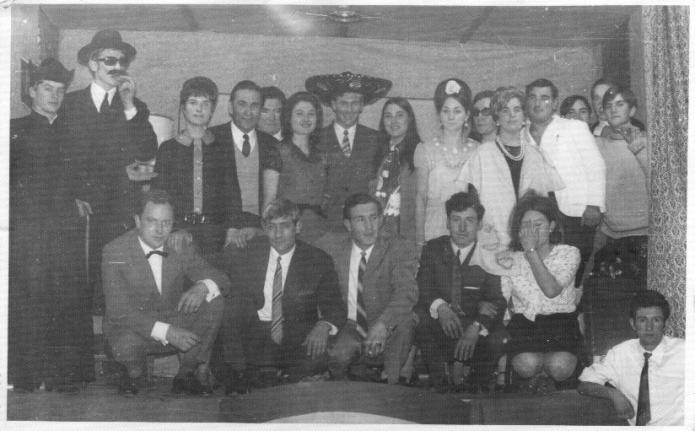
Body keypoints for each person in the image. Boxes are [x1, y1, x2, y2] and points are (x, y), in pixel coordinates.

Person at [9, 58, 93, 392]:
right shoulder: (13, 130)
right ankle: (27, 376)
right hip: (28, 234)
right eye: (47, 88)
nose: (54, 95)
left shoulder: (75, 132)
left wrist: (82, 195)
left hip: (65, 233)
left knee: (66, 300)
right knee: (30, 299)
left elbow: (87, 176)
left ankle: (64, 375)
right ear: (32, 91)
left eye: (60, 89)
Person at [61, 29, 159, 312]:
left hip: (118, 211)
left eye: (121, 61)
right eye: (109, 60)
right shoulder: (69, 104)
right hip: (81, 209)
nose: (117, 67)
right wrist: (73, 195)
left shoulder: (135, 107)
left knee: (113, 285)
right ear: (92, 64)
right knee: (78, 285)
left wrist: (129, 106)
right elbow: (63, 160)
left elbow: (146, 151)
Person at [101, 189, 229, 396]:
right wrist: (167, 332)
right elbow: (119, 311)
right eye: (152, 221)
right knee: (127, 351)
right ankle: (132, 372)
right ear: (137, 221)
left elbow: (223, 280)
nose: (160, 230)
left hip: (172, 319)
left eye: (166, 222)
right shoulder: (115, 251)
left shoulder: (178, 245)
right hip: (133, 328)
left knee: (214, 301)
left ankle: (187, 373)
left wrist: (203, 286)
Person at [221, 199, 345, 394]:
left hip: (296, 334)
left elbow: (335, 305)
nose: (277, 234)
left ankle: (280, 379)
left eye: (285, 226)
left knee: (316, 359)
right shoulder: (248, 253)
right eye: (271, 227)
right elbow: (233, 300)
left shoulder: (317, 260)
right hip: (255, 331)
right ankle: (253, 376)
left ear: (298, 227)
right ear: (264, 229)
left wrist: (324, 325)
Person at [317, 194, 419, 384]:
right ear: (348, 225)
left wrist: (383, 324)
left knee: (406, 320)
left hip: (388, 322)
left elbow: (406, 292)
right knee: (338, 359)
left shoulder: (399, 247)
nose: (369, 227)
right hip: (351, 324)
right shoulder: (330, 246)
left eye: (373, 218)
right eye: (360, 220)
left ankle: (392, 381)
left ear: (381, 220)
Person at [415, 191, 507, 393]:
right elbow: (424, 285)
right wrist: (441, 307)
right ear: (447, 223)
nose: (462, 228)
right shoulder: (433, 248)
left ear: (479, 224)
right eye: (456, 220)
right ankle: (441, 383)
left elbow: (497, 300)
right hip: (442, 322)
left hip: (473, 323)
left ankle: (475, 384)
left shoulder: (489, 252)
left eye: (469, 221)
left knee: (497, 336)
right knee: (419, 317)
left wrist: (477, 326)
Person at [457, 86, 564, 251]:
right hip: (492, 240)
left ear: (524, 117)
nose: (511, 115)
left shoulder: (536, 155)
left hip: (531, 241)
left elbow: (546, 204)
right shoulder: (482, 154)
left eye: (517, 109)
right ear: (497, 118)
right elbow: (470, 201)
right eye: (505, 110)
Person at [523, 78, 605, 287]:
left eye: (544, 98)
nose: (538, 103)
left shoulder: (574, 127)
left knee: (576, 269)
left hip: (576, 212)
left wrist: (594, 205)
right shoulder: (521, 134)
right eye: (532, 97)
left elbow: (595, 165)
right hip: (540, 210)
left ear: (554, 103)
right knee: (544, 265)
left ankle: (574, 304)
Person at [501, 192, 583, 394]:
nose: (532, 231)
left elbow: (551, 290)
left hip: (560, 323)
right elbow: (502, 298)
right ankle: (538, 379)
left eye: (538, 224)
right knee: (527, 364)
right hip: (526, 324)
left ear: (551, 226)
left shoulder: (568, 253)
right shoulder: (510, 259)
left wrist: (531, 252)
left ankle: (546, 379)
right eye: (526, 225)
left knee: (559, 366)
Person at [153, 76, 231, 265]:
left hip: (214, 233)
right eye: (193, 102)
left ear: (212, 109)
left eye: (206, 104)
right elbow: (160, 195)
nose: (199, 109)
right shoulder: (168, 149)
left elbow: (231, 193)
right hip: (178, 231)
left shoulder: (222, 149)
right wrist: (174, 229)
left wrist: (232, 228)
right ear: (183, 107)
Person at [578, 290, 684, 426]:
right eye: (642, 320)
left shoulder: (683, 351)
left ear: (664, 324)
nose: (649, 327)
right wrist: (613, 394)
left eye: (656, 320)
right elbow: (584, 385)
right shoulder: (620, 354)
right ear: (633, 324)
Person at [305, 71, 392, 230]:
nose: (349, 109)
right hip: (326, 225)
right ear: (333, 105)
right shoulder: (315, 139)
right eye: (344, 103)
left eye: (355, 103)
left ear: (362, 106)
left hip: (364, 226)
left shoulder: (376, 139)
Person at [208, 80, 282, 248]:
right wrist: (230, 227)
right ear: (230, 107)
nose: (248, 112)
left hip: (260, 229)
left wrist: (260, 229)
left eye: (254, 105)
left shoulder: (272, 145)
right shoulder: (211, 139)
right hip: (221, 228)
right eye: (242, 104)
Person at [414, 78, 479, 249]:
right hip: (434, 227)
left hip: (466, 229)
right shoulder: (425, 149)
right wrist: (420, 241)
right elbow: (420, 197)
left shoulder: (478, 150)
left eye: (457, 111)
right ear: (439, 114)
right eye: (445, 111)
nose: (451, 117)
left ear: (467, 114)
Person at [593, 86, 649, 276]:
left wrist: (639, 149)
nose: (613, 109)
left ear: (632, 110)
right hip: (610, 233)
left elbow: (658, 182)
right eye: (609, 106)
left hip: (644, 234)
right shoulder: (597, 144)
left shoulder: (647, 141)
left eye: (620, 104)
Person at [276, 91, 328, 244]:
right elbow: (269, 201)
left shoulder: (321, 155)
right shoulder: (278, 151)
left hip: (318, 229)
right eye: (299, 113)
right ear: (288, 117)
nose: (306, 119)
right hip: (288, 229)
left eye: (311, 114)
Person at [371, 97, 421, 241]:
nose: (393, 121)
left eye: (399, 115)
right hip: (377, 233)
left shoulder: (420, 152)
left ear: (409, 119)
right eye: (388, 116)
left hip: (406, 233)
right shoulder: (377, 151)